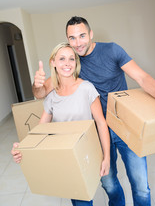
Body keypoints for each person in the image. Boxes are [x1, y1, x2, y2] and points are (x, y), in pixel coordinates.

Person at [31, 16, 155, 206]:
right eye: (72, 38)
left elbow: (142, 78)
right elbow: (42, 92)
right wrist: (37, 84)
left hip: (126, 125)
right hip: (97, 131)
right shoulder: (71, 63)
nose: (77, 42)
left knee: (140, 184)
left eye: (82, 36)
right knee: (109, 182)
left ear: (90, 34)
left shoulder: (112, 50)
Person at [11, 42, 110, 206]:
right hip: (67, 157)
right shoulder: (52, 96)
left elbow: (101, 123)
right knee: (80, 200)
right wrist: (22, 147)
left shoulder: (87, 88)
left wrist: (106, 157)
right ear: (53, 62)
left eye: (72, 59)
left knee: (108, 186)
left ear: (76, 63)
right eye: (62, 58)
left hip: (88, 152)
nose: (67, 63)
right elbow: (39, 131)